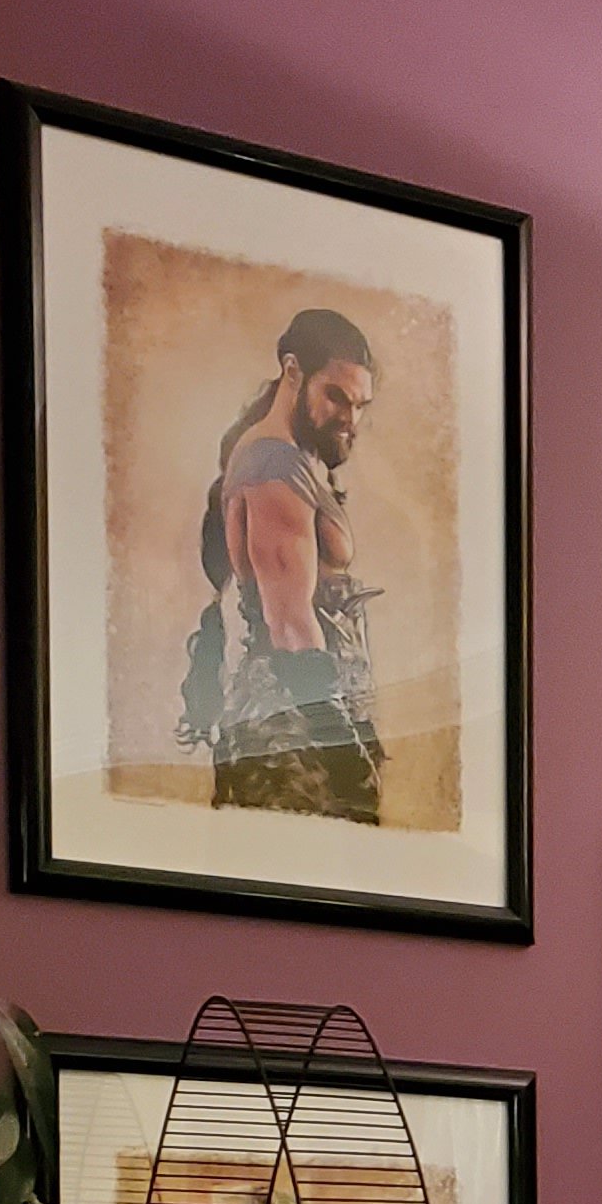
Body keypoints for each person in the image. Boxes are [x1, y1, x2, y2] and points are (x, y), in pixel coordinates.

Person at [186, 306, 384, 823]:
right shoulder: (273, 464)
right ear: (293, 371)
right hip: (289, 734)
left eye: (360, 405)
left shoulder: (292, 457)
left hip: (299, 725)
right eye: (335, 396)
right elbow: (291, 626)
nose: (351, 420)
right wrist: (347, 759)